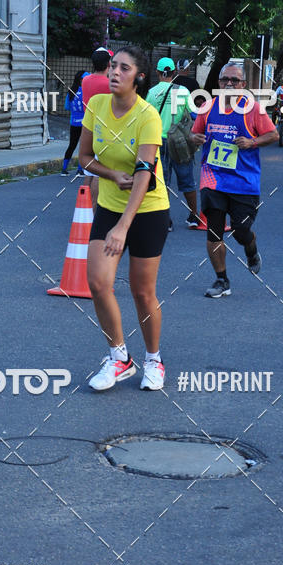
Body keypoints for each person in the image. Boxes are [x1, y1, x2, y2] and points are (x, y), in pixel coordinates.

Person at [79, 45, 170, 391]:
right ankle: (120, 358)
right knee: (98, 283)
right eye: (112, 66)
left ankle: (153, 360)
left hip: (148, 210)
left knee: (142, 291)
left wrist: (123, 226)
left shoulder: (148, 115)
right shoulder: (97, 105)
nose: (114, 72)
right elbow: (84, 158)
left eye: (124, 68)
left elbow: (145, 172)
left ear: (139, 77)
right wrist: (111, 175)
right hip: (111, 204)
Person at [189, 61, 278, 298]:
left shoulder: (254, 109)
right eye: (224, 80)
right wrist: (195, 138)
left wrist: (253, 142)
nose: (229, 84)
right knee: (214, 232)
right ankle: (221, 279)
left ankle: (251, 248)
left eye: (234, 81)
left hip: (244, 183)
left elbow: (273, 134)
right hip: (213, 180)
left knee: (240, 231)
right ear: (218, 83)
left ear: (243, 85)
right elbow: (194, 133)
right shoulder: (207, 107)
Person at [147, 57, 198, 229]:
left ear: (158, 72)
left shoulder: (152, 92)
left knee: (163, 181)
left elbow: (146, 118)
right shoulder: (182, 91)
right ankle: (193, 216)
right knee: (187, 180)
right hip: (180, 142)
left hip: (158, 142)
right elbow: (194, 114)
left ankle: (166, 220)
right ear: (174, 72)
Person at [81, 48, 112, 208]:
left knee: (88, 170)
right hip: (104, 129)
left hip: (88, 127)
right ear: (109, 63)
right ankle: (94, 208)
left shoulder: (85, 80)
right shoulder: (108, 84)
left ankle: (83, 206)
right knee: (99, 170)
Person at [61, 69, 88, 176]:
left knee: (72, 145)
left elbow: (67, 106)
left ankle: (64, 169)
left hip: (73, 122)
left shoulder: (71, 91)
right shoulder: (86, 92)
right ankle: (80, 170)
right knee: (83, 146)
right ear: (82, 80)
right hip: (84, 122)